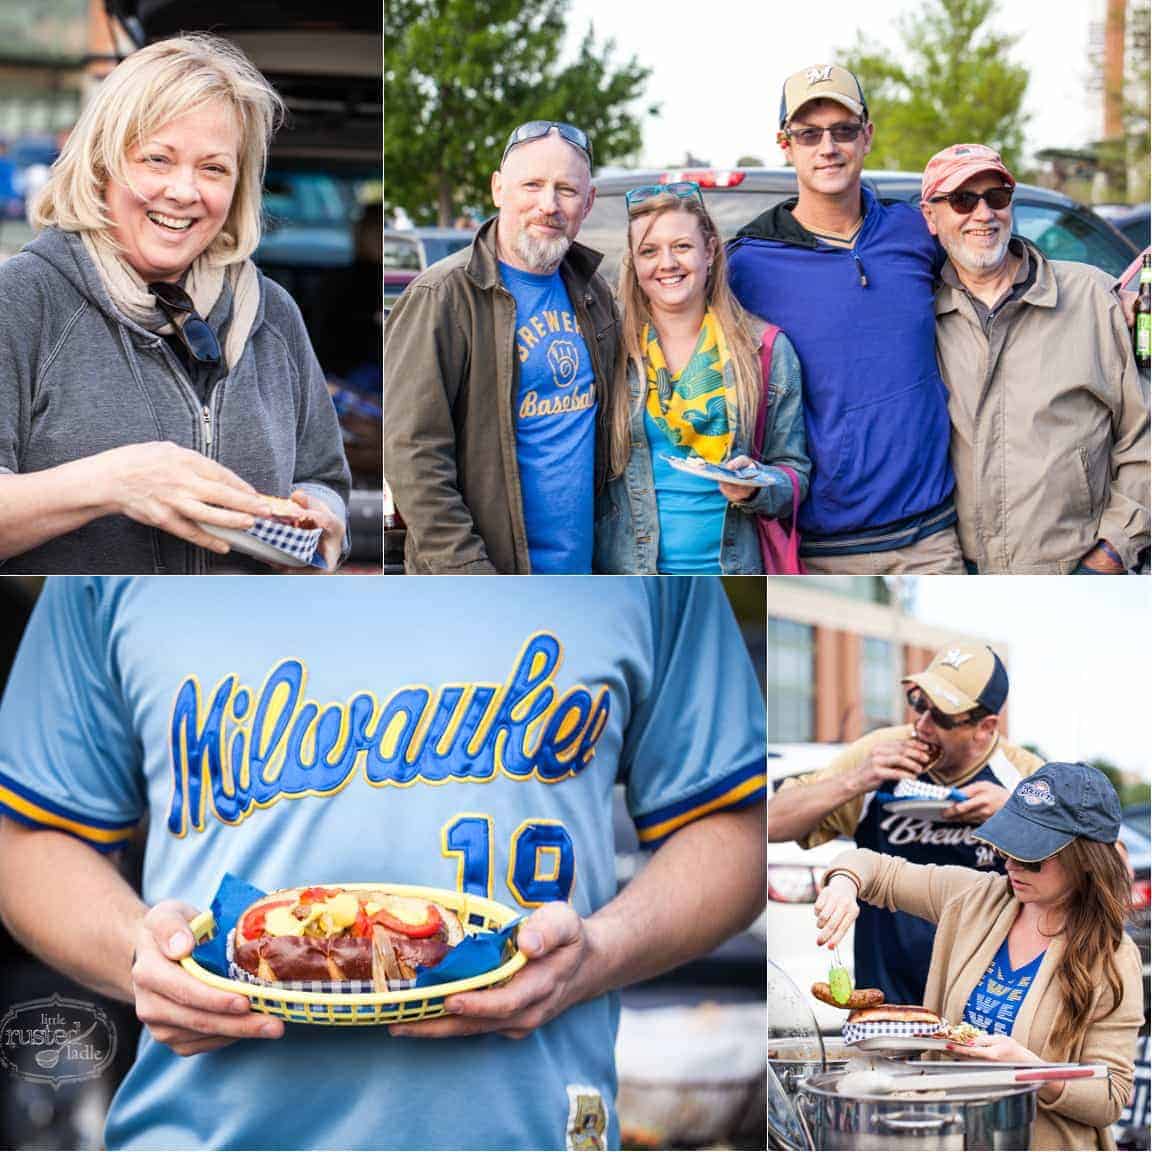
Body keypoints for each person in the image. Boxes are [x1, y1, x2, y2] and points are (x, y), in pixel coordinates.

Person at [0, 576, 767, 1151]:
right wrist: (140, 949)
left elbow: (731, 835)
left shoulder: (648, 570)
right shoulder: (112, 567)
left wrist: (599, 955)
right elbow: (25, 844)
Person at [0, 35, 350, 573]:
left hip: (241, 653)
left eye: (213, 169)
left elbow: (323, 477)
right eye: (157, 160)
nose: (184, 191)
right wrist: (113, 483)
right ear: (101, 167)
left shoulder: (273, 314)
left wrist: (321, 517)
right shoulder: (23, 300)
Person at [815, 762, 1143, 1151]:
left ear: (1085, 860)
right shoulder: (976, 897)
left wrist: (1030, 1070)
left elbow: (1111, 1096)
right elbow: (874, 868)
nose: (1011, 865)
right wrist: (843, 886)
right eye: (1006, 848)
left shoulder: (1114, 957)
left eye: (1031, 856)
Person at [727, 64, 964, 574]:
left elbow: (1001, 271)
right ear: (785, 144)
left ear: (868, 136)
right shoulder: (747, 263)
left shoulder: (916, 230)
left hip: (931, 539)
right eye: (809, 134)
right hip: (819, 550)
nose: (827, 147)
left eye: (844, 130)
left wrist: (1115, 297)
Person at [382, 120, 623, 574]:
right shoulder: (443, 296)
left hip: (583, 577)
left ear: (588, 203)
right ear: (498, 189)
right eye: (532, 185)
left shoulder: (595, 293)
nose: (548, 205)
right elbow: (413, 455)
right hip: (484, 582)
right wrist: (470, 576)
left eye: (566, 190)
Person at [919, 143, 1150, 574]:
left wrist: (1112, 554)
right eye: (963, 200)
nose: (984, 213)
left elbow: (1145, 439)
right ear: (930, 217)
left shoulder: (1092, 298)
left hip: (1082, 570)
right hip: (960, 571)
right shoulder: (919, 314)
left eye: (997, 197)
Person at [767, 642, 1042, 1004]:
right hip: (887, 997)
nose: (922, 724)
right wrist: (858, 779)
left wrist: (1016, 818)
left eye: (942, 716)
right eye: (918, 703)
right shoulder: (882, 750)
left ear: (984, 726)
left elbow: (1101, 863)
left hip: (986, 999)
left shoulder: (1022, 776)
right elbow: (771, 823)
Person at [593, 181, 809, 574]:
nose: (667, 263)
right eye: (649, 251)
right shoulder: (608, 350)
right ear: (634, 262)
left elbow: (795, 473)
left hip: (735, 574)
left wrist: (756, 485)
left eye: (682, 246)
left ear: (709, 250)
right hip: (631, 575)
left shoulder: (766, 351)